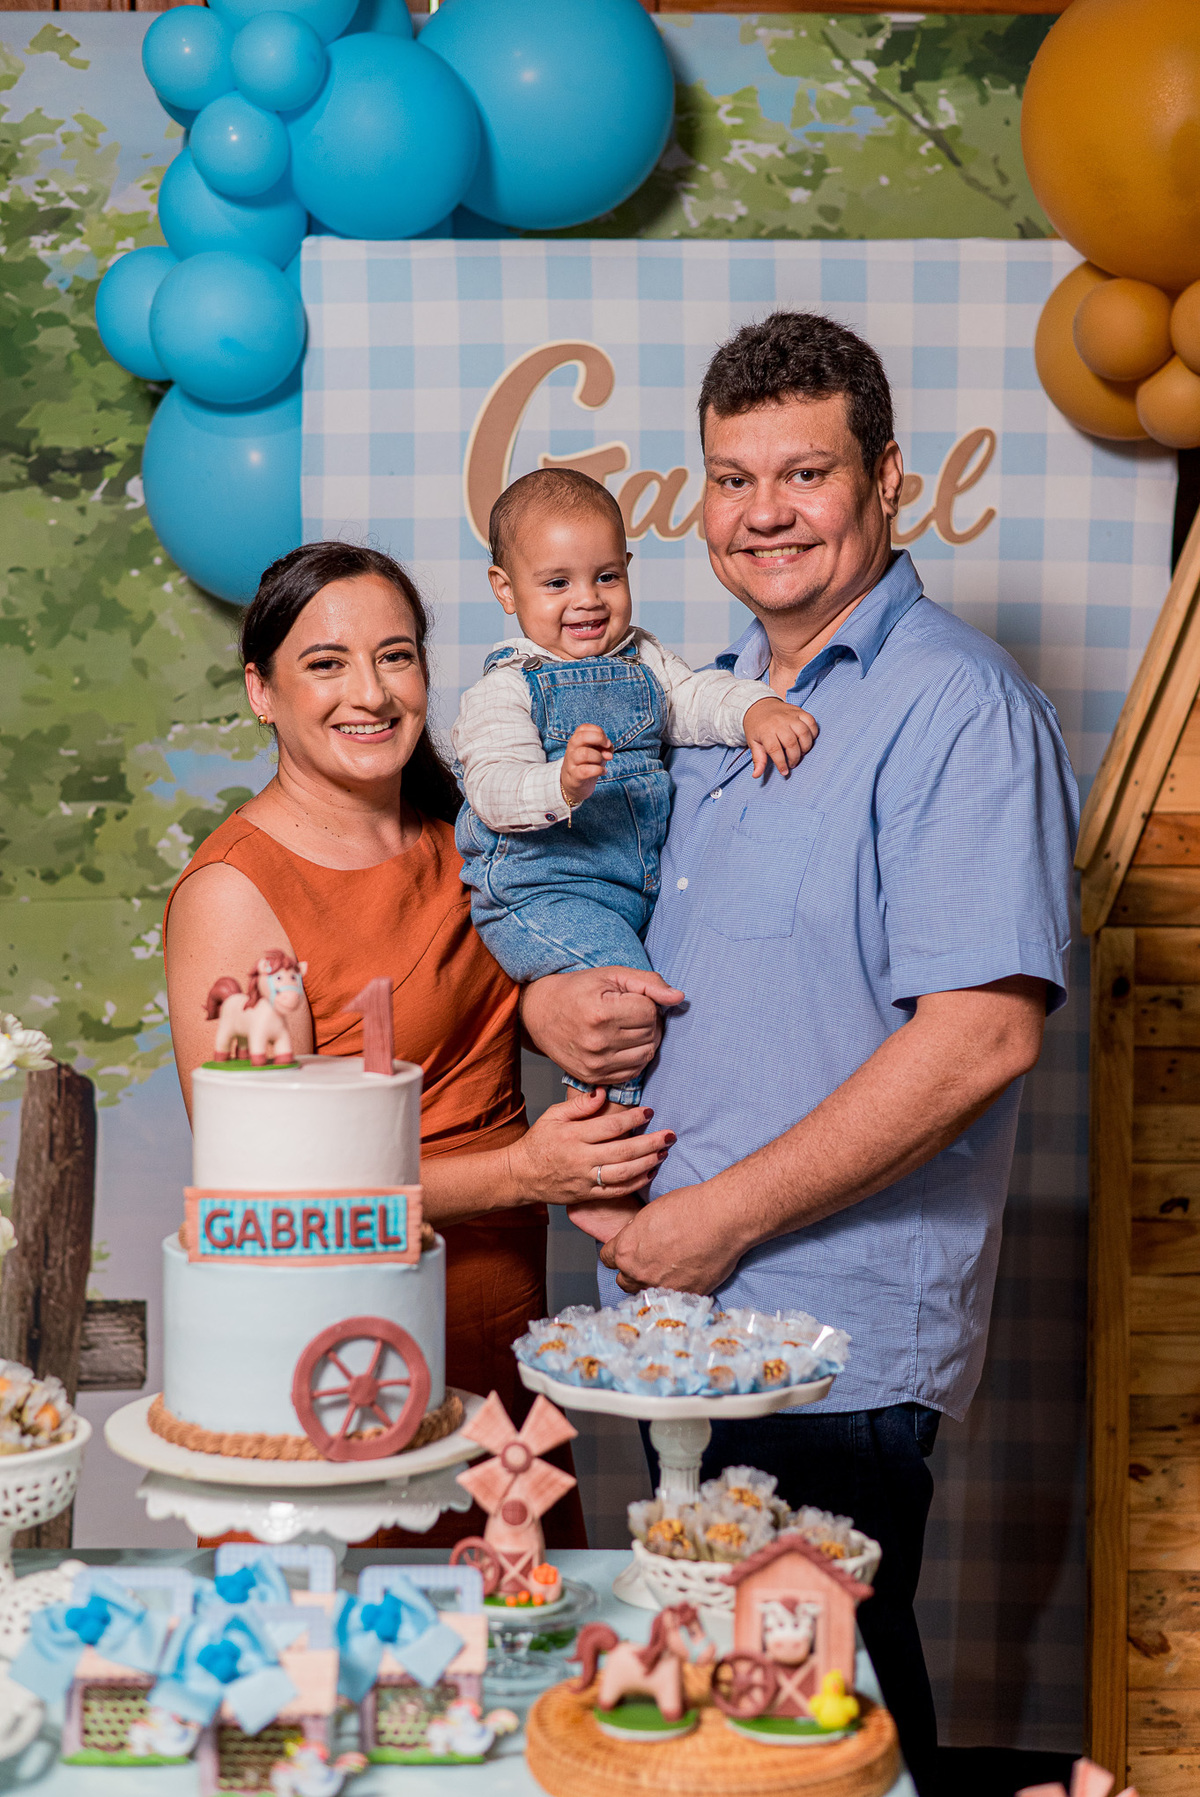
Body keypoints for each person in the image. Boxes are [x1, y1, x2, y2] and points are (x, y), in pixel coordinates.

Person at [519, 311, 1078, 1789]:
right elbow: (629, 944)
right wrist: (551, 1008)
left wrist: (714, 1219)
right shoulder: (704, 711)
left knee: (821, 1732)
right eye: (732, 478)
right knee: (735, 1725)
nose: (764, 512)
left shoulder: (957, 707)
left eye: (806, 473)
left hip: (823, 1351)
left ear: (887, 481)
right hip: (681, 1323)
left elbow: (982, 1036)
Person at [164, 540, 676, 1546]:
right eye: (326, 663)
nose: (371, 692)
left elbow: (501, 993)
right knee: (354, 1634)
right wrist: (524, 1172)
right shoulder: (235, 893)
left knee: (516, 1621)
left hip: (495, 1336)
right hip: (341, 1363)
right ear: (261, 691)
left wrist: (562, 1006)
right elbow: (272, 1199)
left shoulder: (473, 840)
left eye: (395, 656)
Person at [451, 465, 814, 1147]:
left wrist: (755, 709)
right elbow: (494, 788)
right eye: (556, 583)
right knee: (625, 997)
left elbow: (697, 699)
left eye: (606, 577)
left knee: (663, 984)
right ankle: (602, 1149)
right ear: (505, 589)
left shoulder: (642, 660)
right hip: (541, 892)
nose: (586, 601)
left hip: (628, 887)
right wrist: (559, 784)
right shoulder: (507, 688)